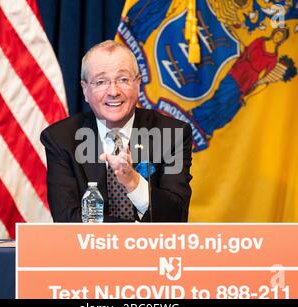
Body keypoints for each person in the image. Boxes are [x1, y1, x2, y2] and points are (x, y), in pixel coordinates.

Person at [40, 40, 192, 222]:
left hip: (155, 249)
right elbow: (67, 218)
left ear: (138, 85)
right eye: (101, 81)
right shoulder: (60, 138)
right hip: (88, 250)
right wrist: (129, 235)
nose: (113, 91)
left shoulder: (172, 134)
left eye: (123, 80)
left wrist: (133, 182)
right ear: (85, 90)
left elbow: (176, 217)